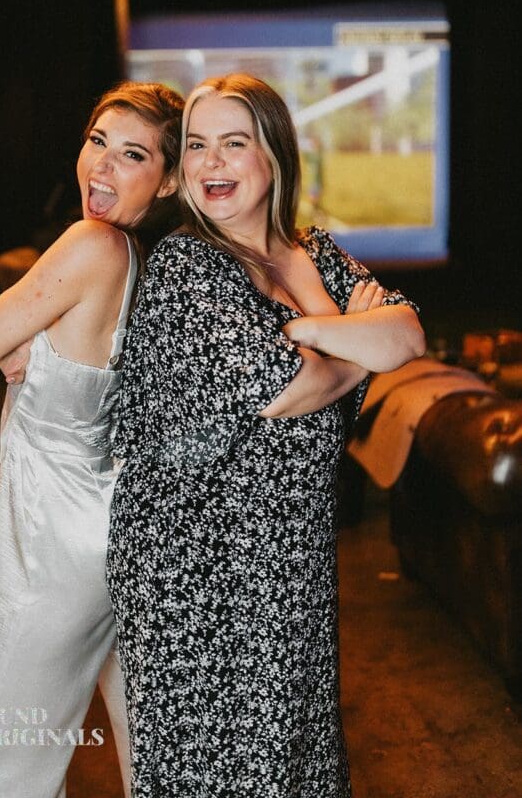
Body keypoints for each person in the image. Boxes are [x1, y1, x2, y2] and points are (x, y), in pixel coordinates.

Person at [107, 73, 425, 798]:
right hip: (194, 567)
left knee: (297, 759)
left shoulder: (314, 251)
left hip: (290, 556)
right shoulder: (187, 266)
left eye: (233, 143)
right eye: (196, 146)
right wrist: (349, 340)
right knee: (225, 771)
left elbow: (406, 335)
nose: (211, 163)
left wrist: (305, 331)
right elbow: (286, 390)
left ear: (274, 155)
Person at [0, 81, 183, 798]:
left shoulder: (91, 244)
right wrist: (32, 337)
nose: (101, 165)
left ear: (168, 180)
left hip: (55, 544)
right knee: (140, 736)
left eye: (132, 154)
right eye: (97, 141)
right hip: (103, 525)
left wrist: (18, 339)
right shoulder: (141, 262)